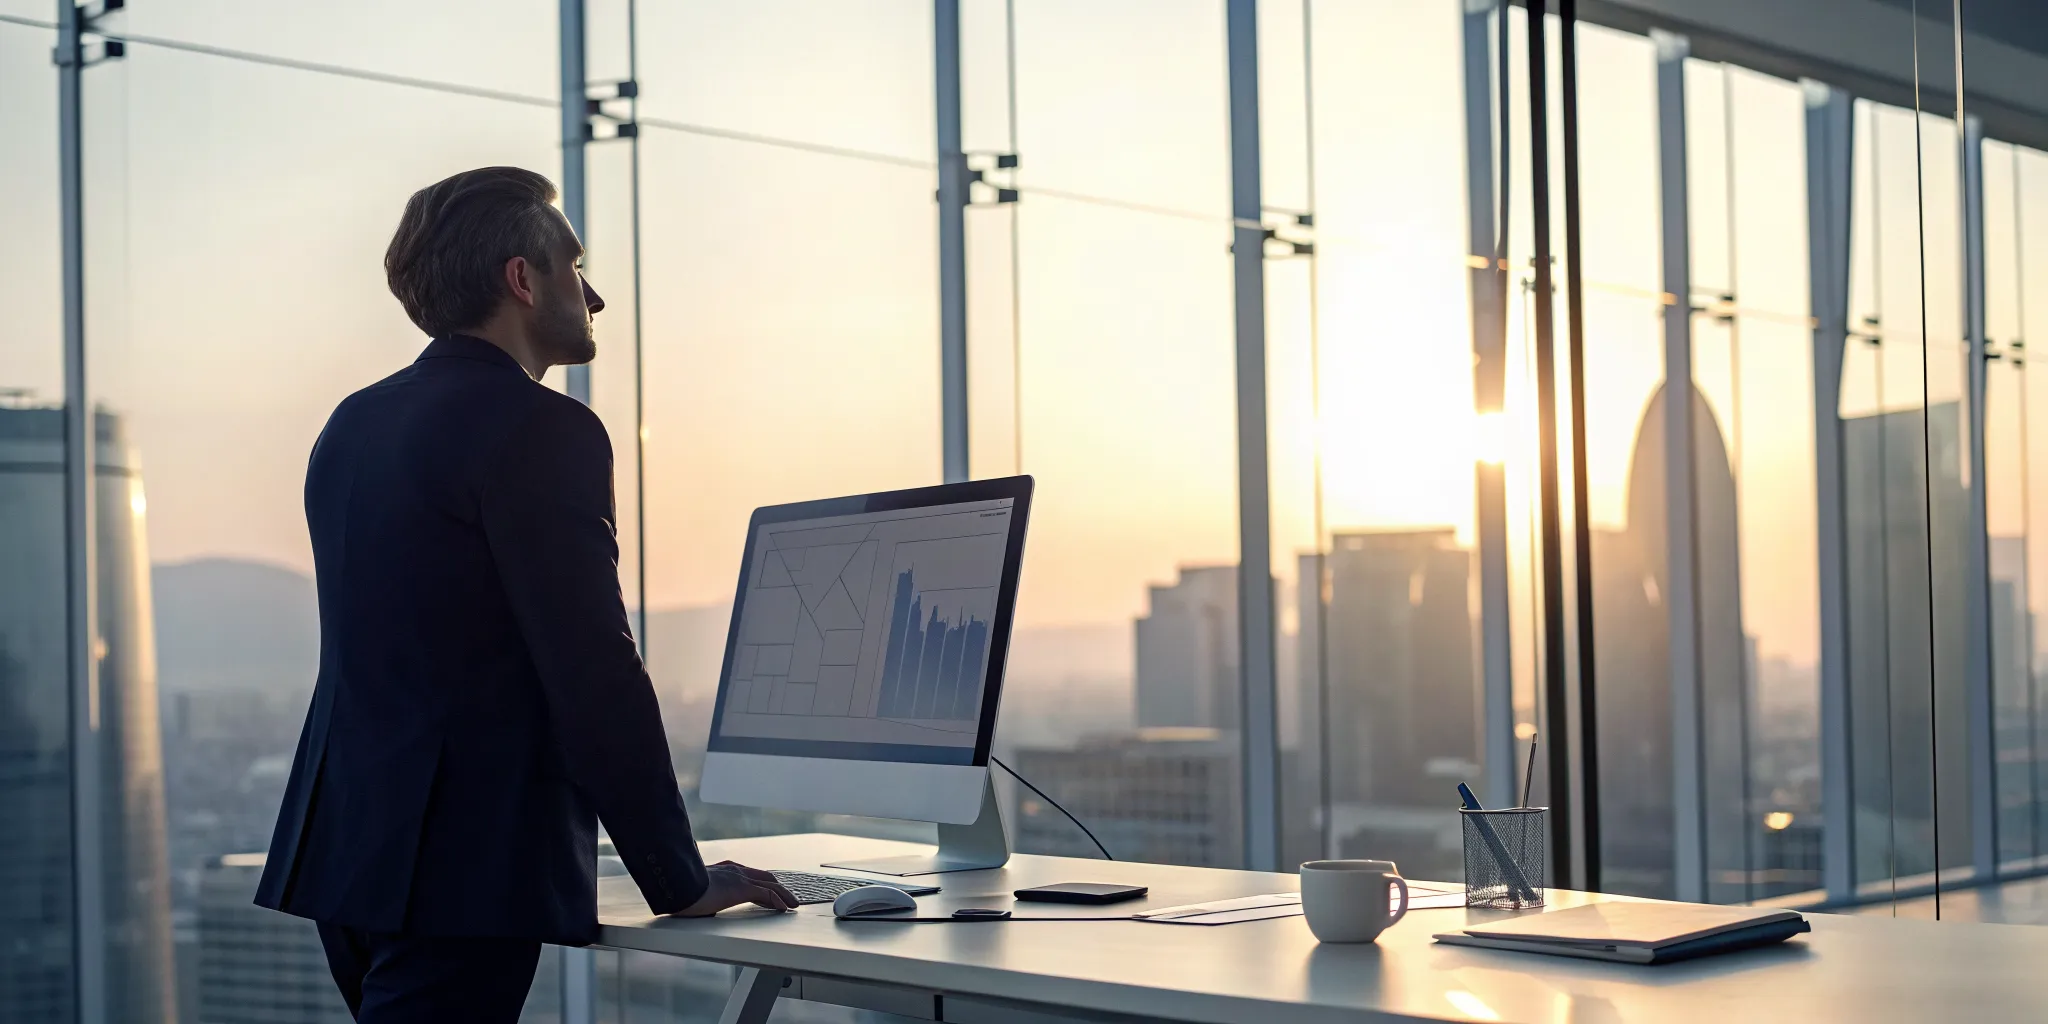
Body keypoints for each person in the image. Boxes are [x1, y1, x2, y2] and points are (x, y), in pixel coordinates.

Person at [256, 166, 795, 1022]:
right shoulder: (544, 430)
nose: (594, 295)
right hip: (459, 866)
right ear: (521, 278)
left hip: (347, 846)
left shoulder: (354, 422)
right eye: (573, 267)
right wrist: (679, 878)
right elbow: (593, 672)